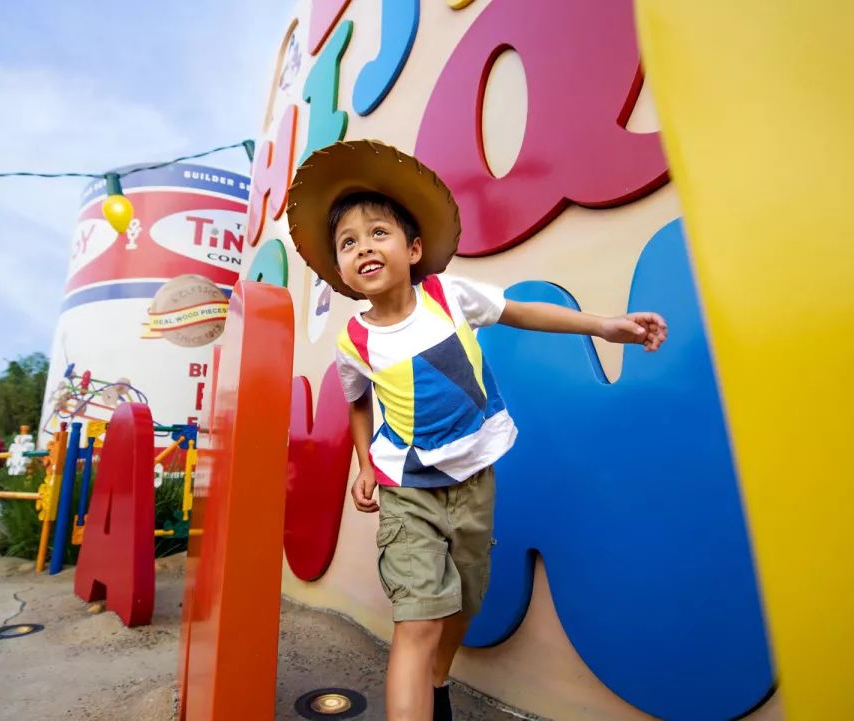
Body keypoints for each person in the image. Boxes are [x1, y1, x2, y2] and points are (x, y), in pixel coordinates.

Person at [286, 140, 668, 721]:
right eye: (348, 242)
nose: (364, 246)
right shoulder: (353, 342)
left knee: (465, 598)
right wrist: (366, 463)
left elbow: (521, 311)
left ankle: (438, 679)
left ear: (414, 249)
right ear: (339, 269)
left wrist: (604, 326)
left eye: (378, 233)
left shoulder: (446, 295)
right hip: (407, 491)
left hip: (473, 480)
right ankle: (423, 683)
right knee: (418, 620)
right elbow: (358, 403)